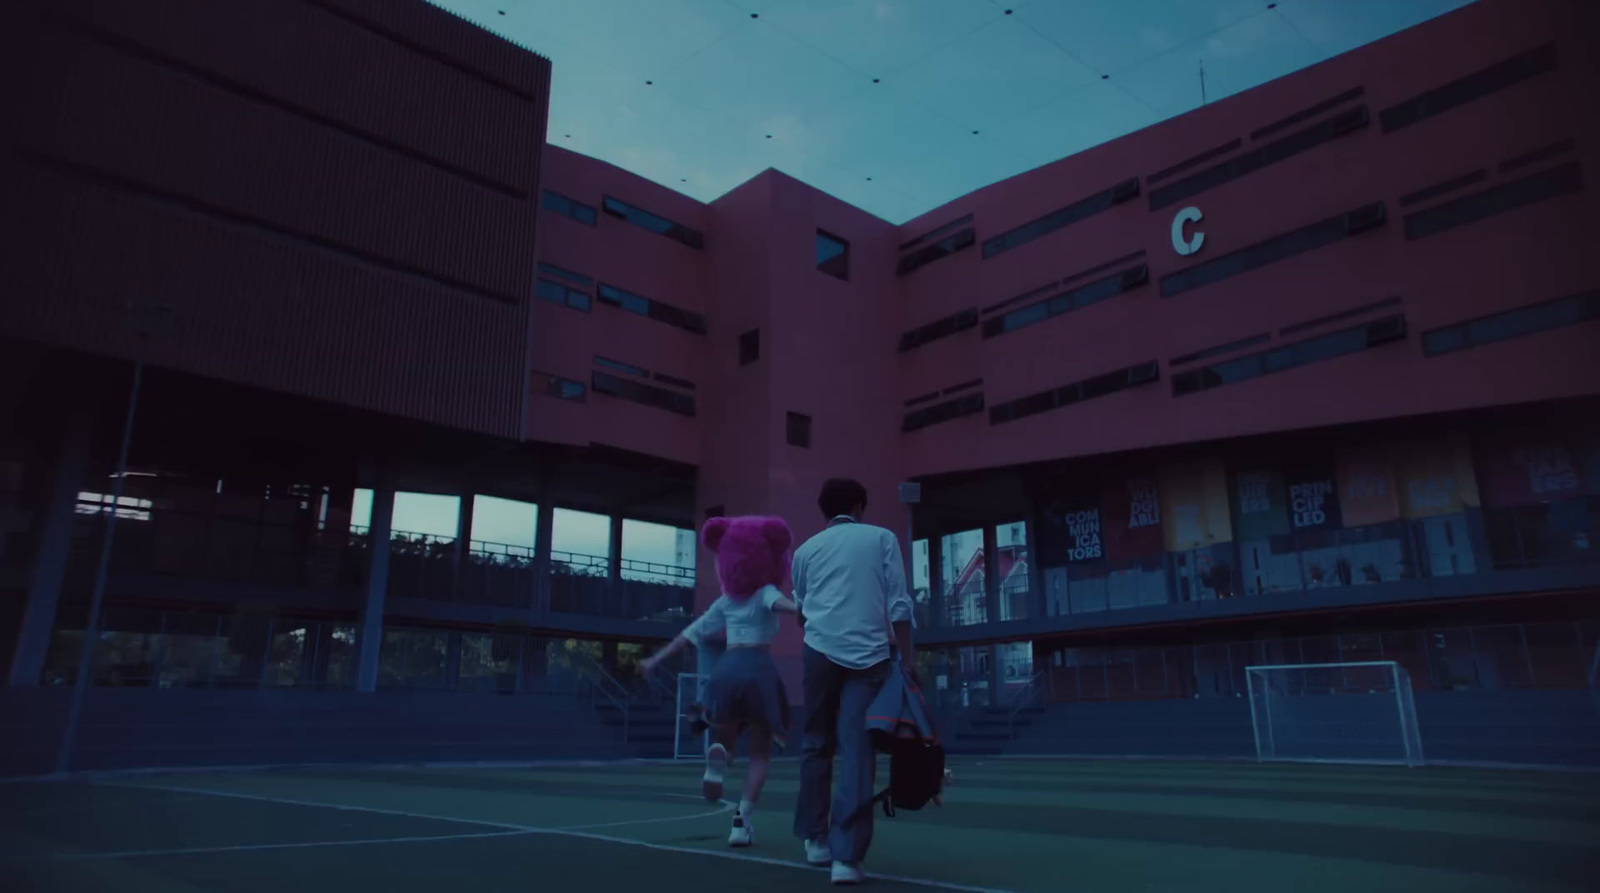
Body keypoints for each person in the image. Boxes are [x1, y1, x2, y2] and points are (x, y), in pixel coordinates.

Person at [639, 515, 798, 849]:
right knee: (760, 756)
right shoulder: (766, 591)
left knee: (726, 734)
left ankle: (719, 762)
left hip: (726, 669)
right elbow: (785, 605)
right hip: (758, 669)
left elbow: (688, 634)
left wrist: (654, 660)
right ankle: (741, 821)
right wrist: (812, 608)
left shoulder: (725, 602)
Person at [790, 478, 914, 886]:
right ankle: (846, 859)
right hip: (868, 655)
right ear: (860, 505)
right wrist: (908, 660)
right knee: (858, 751)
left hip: (818, 651)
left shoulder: (805, 550)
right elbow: (898, 603)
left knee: (814, 744)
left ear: (824, 510)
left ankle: (815, 839)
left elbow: (802, 611)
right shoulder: (882, 537)